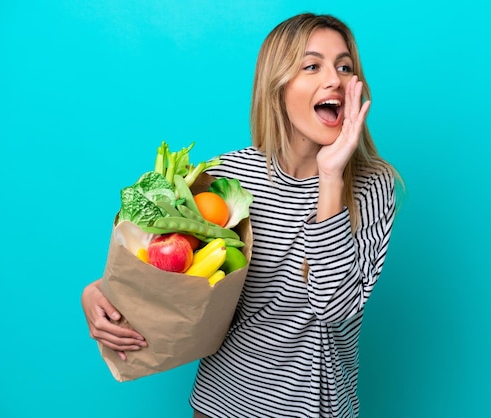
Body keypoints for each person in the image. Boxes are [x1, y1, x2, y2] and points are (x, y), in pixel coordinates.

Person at [82, 12, 400, 418]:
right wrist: (96, 292)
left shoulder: (372, 185)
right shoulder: (228, 179)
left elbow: (334, 308)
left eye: (344, 66)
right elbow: (173, 267)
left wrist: (332, 176)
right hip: (224, 404)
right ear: (277, 86)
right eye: (312, 65)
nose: (334, 79)